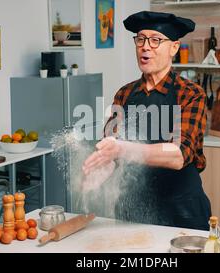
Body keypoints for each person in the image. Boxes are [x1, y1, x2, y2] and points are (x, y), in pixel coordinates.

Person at [82, 11, 211, 230]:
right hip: (133, 209)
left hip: (181, 212)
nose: (145, 46)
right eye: (140, 39)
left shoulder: (190, 94)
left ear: (174, 48)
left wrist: (121, 150)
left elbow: (178, 155)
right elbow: (110, 147)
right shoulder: (124, 94)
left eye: (155, 40)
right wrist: (100, 169)